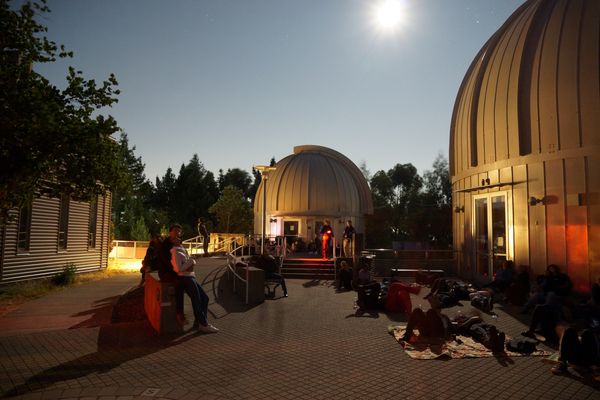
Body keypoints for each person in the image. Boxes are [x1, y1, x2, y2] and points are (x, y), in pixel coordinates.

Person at [401, 296, 505, 352]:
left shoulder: (454, 324)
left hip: (438, 333)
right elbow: (416, 321)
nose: (459, 316)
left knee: (430, 312)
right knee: (418, 310)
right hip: (430, 329)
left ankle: (494, 341)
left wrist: (471, 319)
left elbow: (453, 329)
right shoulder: (446, 318)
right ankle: (407, 335)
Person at [169, 224, 219, 333]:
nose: (178, 234)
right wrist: (191, 262)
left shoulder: (180, 248)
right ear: (171, 238)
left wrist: (190, 263)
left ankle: (200, 322)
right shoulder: (174, 251)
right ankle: (203, 323)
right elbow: (178, 268)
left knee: (204, 298)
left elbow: (185, 263)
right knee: (197, 299)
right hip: (185, 278)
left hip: (190, 276)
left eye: (179, 232)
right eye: (176, 232)